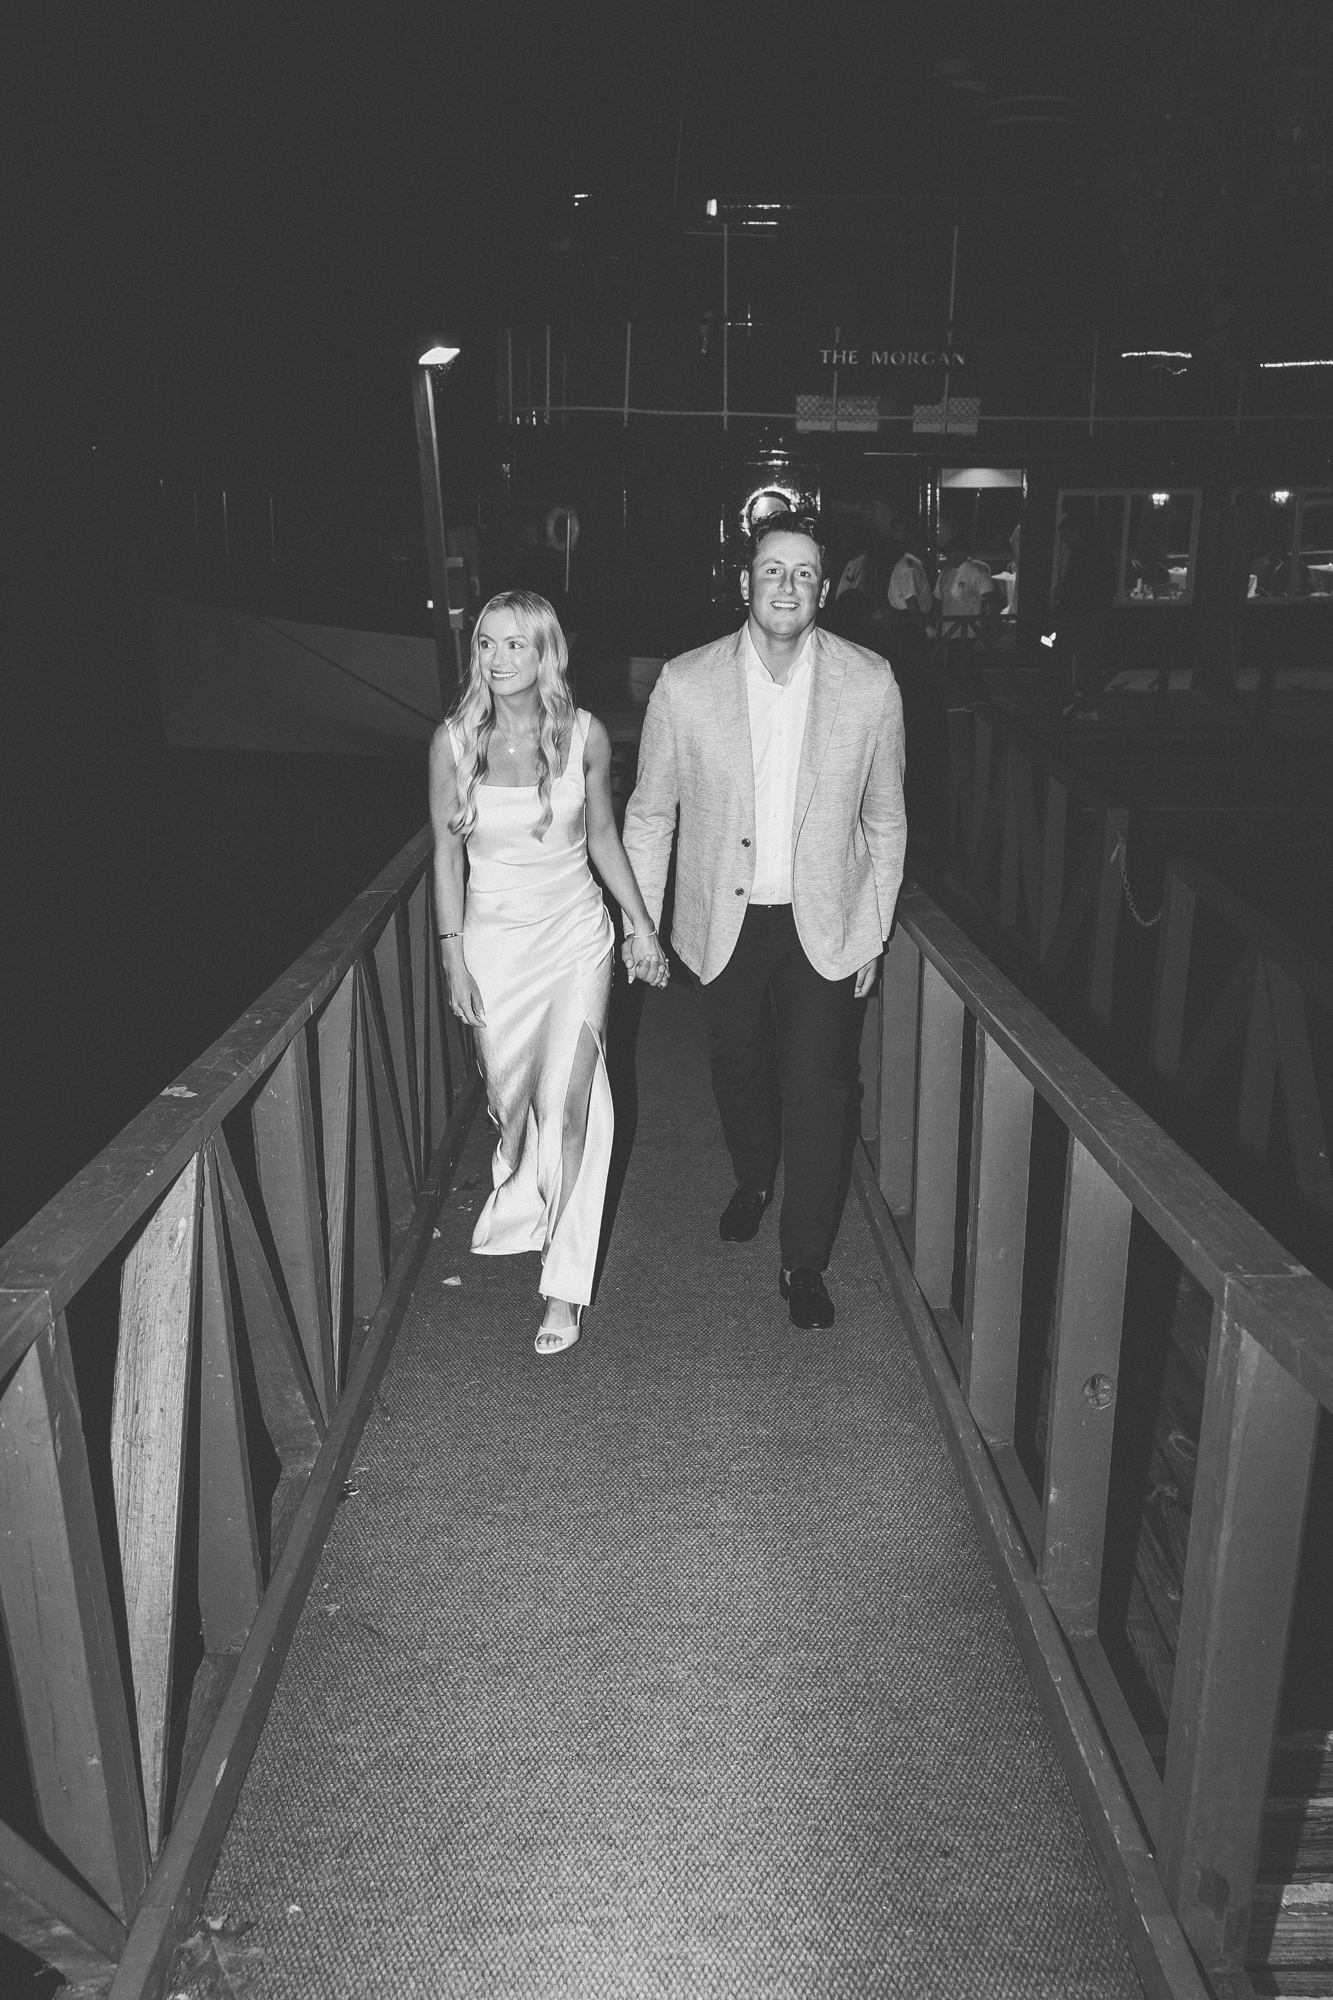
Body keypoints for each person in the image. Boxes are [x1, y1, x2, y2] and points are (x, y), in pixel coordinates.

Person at [621, 512, 907, 1331]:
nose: (787, 585)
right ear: (745, 583)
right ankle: (752, 1177)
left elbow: (885, 822)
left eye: (805, 573)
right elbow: (649, 815)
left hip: (827, 917)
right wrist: (641, 925)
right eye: (773, 570)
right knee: (737, 1069)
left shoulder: (870, 682)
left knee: (818, 1084)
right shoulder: (685, 681)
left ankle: (802, 1261)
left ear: (824, 589)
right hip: (725, 919)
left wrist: (875, 928)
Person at [430, 591, 667, 1356]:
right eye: (487, 645)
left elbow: (601, 834)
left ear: (544, 655)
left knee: (571, 1109)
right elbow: (443, 855)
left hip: (574, 939)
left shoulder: (584, 734)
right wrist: (450, 953)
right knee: (515, 1102)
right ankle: (530, 1189)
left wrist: (639, 924)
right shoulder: (454, 743)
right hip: (495, 945)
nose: (497, 660)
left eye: (514, 646)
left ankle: (563, 1286)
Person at [1051, 512, 1116, 718]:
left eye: (1066, 537)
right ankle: (1086, 702)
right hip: (1093, 614)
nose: (1064, 542)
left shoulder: (1083, 555)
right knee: (1087, 659)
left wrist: (1064, 596)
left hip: (1080, 615)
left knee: (1075, 659)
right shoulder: (1101, 553)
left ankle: (1079, 701)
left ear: (1076, 533)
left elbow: (1079, 587)